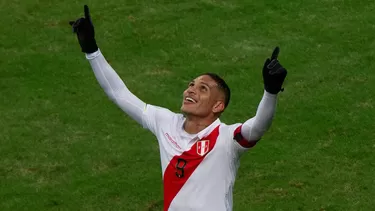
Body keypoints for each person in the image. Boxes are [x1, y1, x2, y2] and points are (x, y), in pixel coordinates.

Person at [69, 5, 288, 211]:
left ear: (218, 106)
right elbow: (119, 94)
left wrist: (271, 91)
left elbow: (259, 126)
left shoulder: (227, 138)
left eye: (203, 89)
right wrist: (91, 50)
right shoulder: (165, 122)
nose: (191, 90)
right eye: (191, 85)